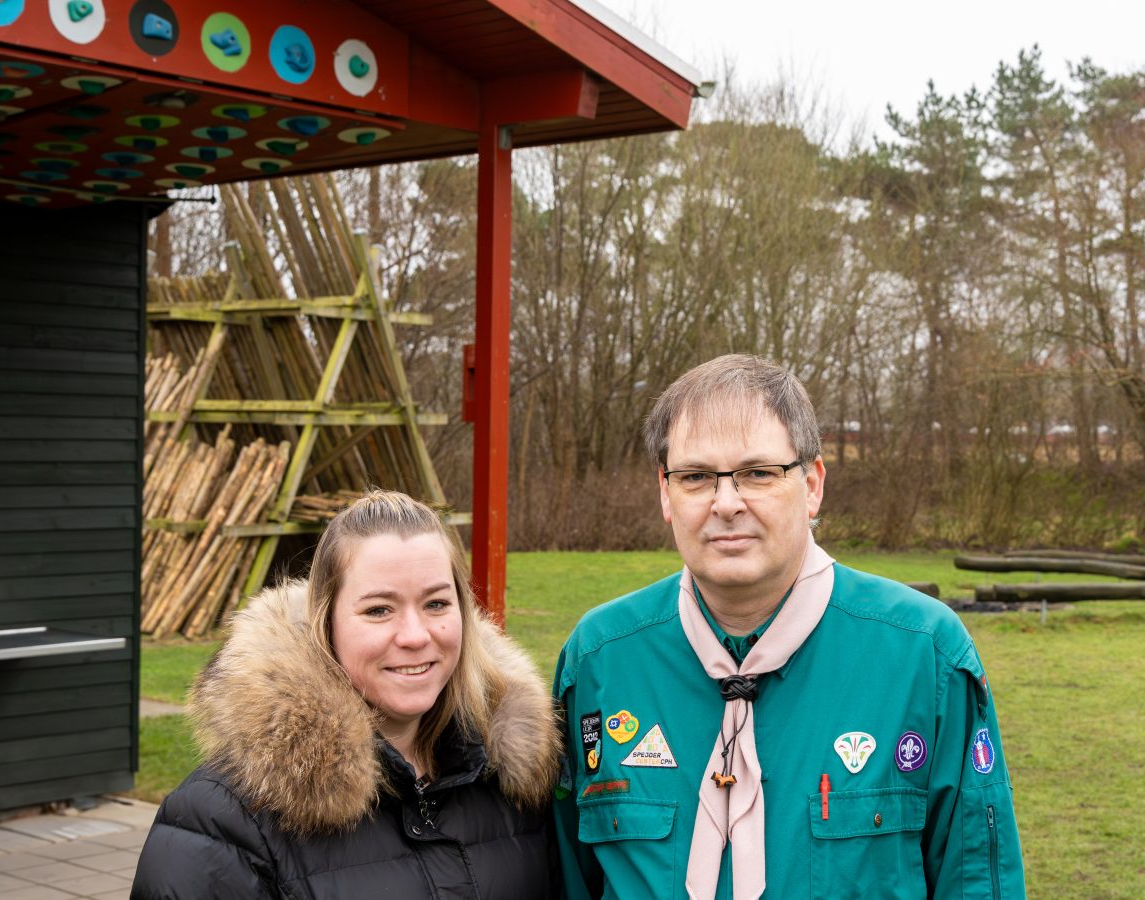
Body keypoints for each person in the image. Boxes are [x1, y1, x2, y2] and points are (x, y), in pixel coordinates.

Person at [552, 354, 1026, 899]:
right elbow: (564, 877)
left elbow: (976, 884)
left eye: (758, 473)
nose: (725, 503)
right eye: (696, 476)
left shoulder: (926, 657)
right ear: (665, 491)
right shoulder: (599, 662)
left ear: (813, 484)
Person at [133, 490, 559, 899]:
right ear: (327, 624)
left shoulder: (514, 782)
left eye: (435, 604)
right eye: (378, 610)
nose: (415, 635)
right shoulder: (220, 821)